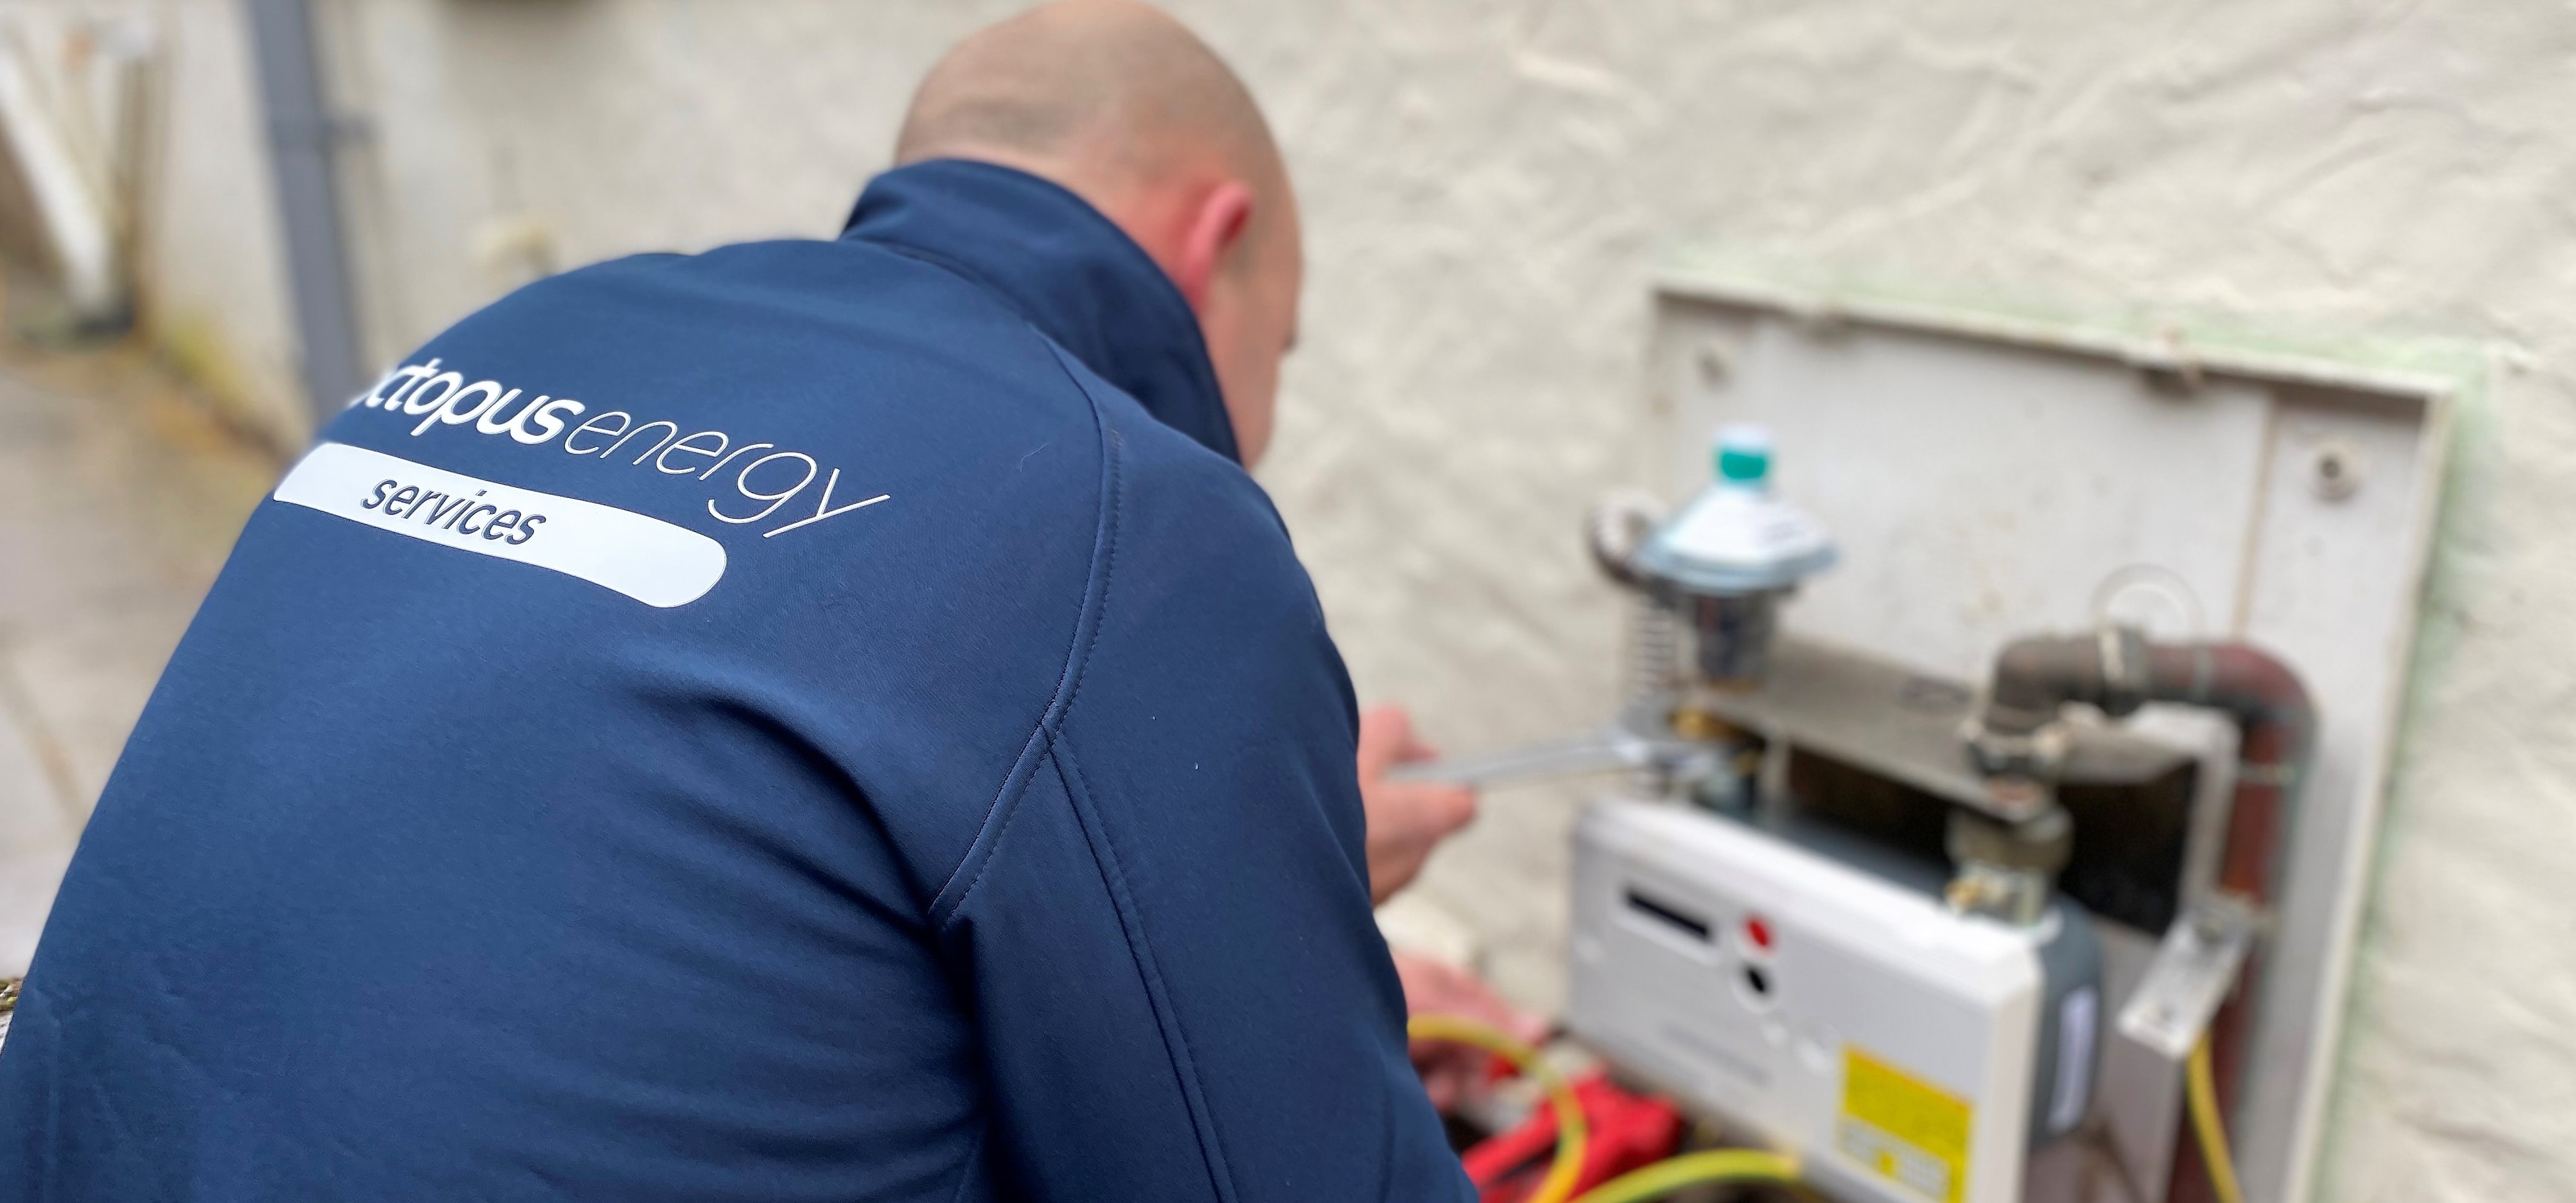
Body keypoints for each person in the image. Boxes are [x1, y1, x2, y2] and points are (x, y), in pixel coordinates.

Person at [0, 3, 1514, 1200]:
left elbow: (648, 866)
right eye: (1285, 351)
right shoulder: (1134, 506)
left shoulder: (529, 332)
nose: (1261, 416)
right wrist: (1304, 974)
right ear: (1219, 238)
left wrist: (1260, 871)